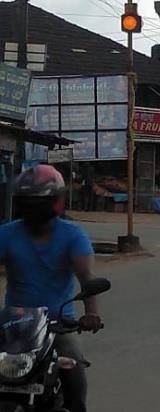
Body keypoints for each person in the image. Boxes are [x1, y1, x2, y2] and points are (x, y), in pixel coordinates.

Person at [0, 165, 101, 412]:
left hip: (58, 325)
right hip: (14, 327)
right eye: (28, 202)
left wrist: (91, 315)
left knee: (73, 366)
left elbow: (87, 279)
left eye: (38, 202)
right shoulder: (6, 234)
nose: (33, 208)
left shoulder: (72, 235)